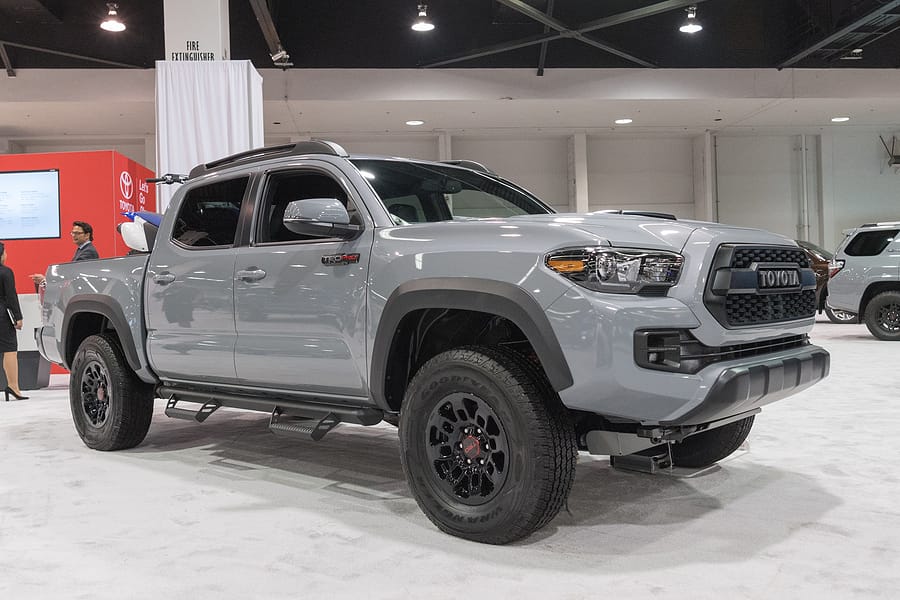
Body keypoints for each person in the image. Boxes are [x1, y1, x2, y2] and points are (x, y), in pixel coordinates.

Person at [29, 221, 99, 287]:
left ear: (87, 235)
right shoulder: (83, 249)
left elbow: (74, 274)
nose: (74, 235)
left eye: (77, 233)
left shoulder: (88, 252)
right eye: (73, 233)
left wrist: (46, 280)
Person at [0, 241, 28, 401]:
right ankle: (13, 386)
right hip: (2, 315)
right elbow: (11, 296)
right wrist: (18, 317)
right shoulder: (6, 272)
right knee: (9, 349)